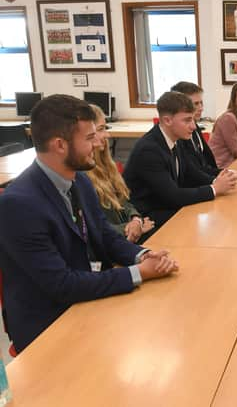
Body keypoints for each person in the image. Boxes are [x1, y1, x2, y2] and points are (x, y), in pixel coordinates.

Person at [0, 95, 179, 353]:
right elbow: (62, 285)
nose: (98, 143)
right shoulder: (18, 205)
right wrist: (140, 273)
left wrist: (142, 256)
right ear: (60, 145)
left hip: (86, 297)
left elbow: (104, 235)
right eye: (89, 138)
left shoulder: (79, 181)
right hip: (49, 324)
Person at [124, 91, 237, 228]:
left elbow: (191, 173)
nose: (194, 127)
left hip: (168, 209)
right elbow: (173, 196)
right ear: (167, 120)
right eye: (187, 120)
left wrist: (220, 180)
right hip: (148, 219)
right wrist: (214, 189)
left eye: (193, 120)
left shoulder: (174, 140)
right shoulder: (149, 150)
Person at [85, 104, 155, 243]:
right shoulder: (82, 177)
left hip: (125, 237)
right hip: (112, 244)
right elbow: (92, 228)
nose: (107, 134)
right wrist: (130, 228)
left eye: (105, 128)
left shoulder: (106, 166)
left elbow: (124, 202)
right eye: (100, 129)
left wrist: (136, 220)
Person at [170, 81, 237, 181]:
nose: (201, 108)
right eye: (195, 104)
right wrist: (217, 184)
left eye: (201, 103)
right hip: (223, 167)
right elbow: (193, 175)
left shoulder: (195, 129)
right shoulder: (228, 118)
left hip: (218, 172)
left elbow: (203, 169)